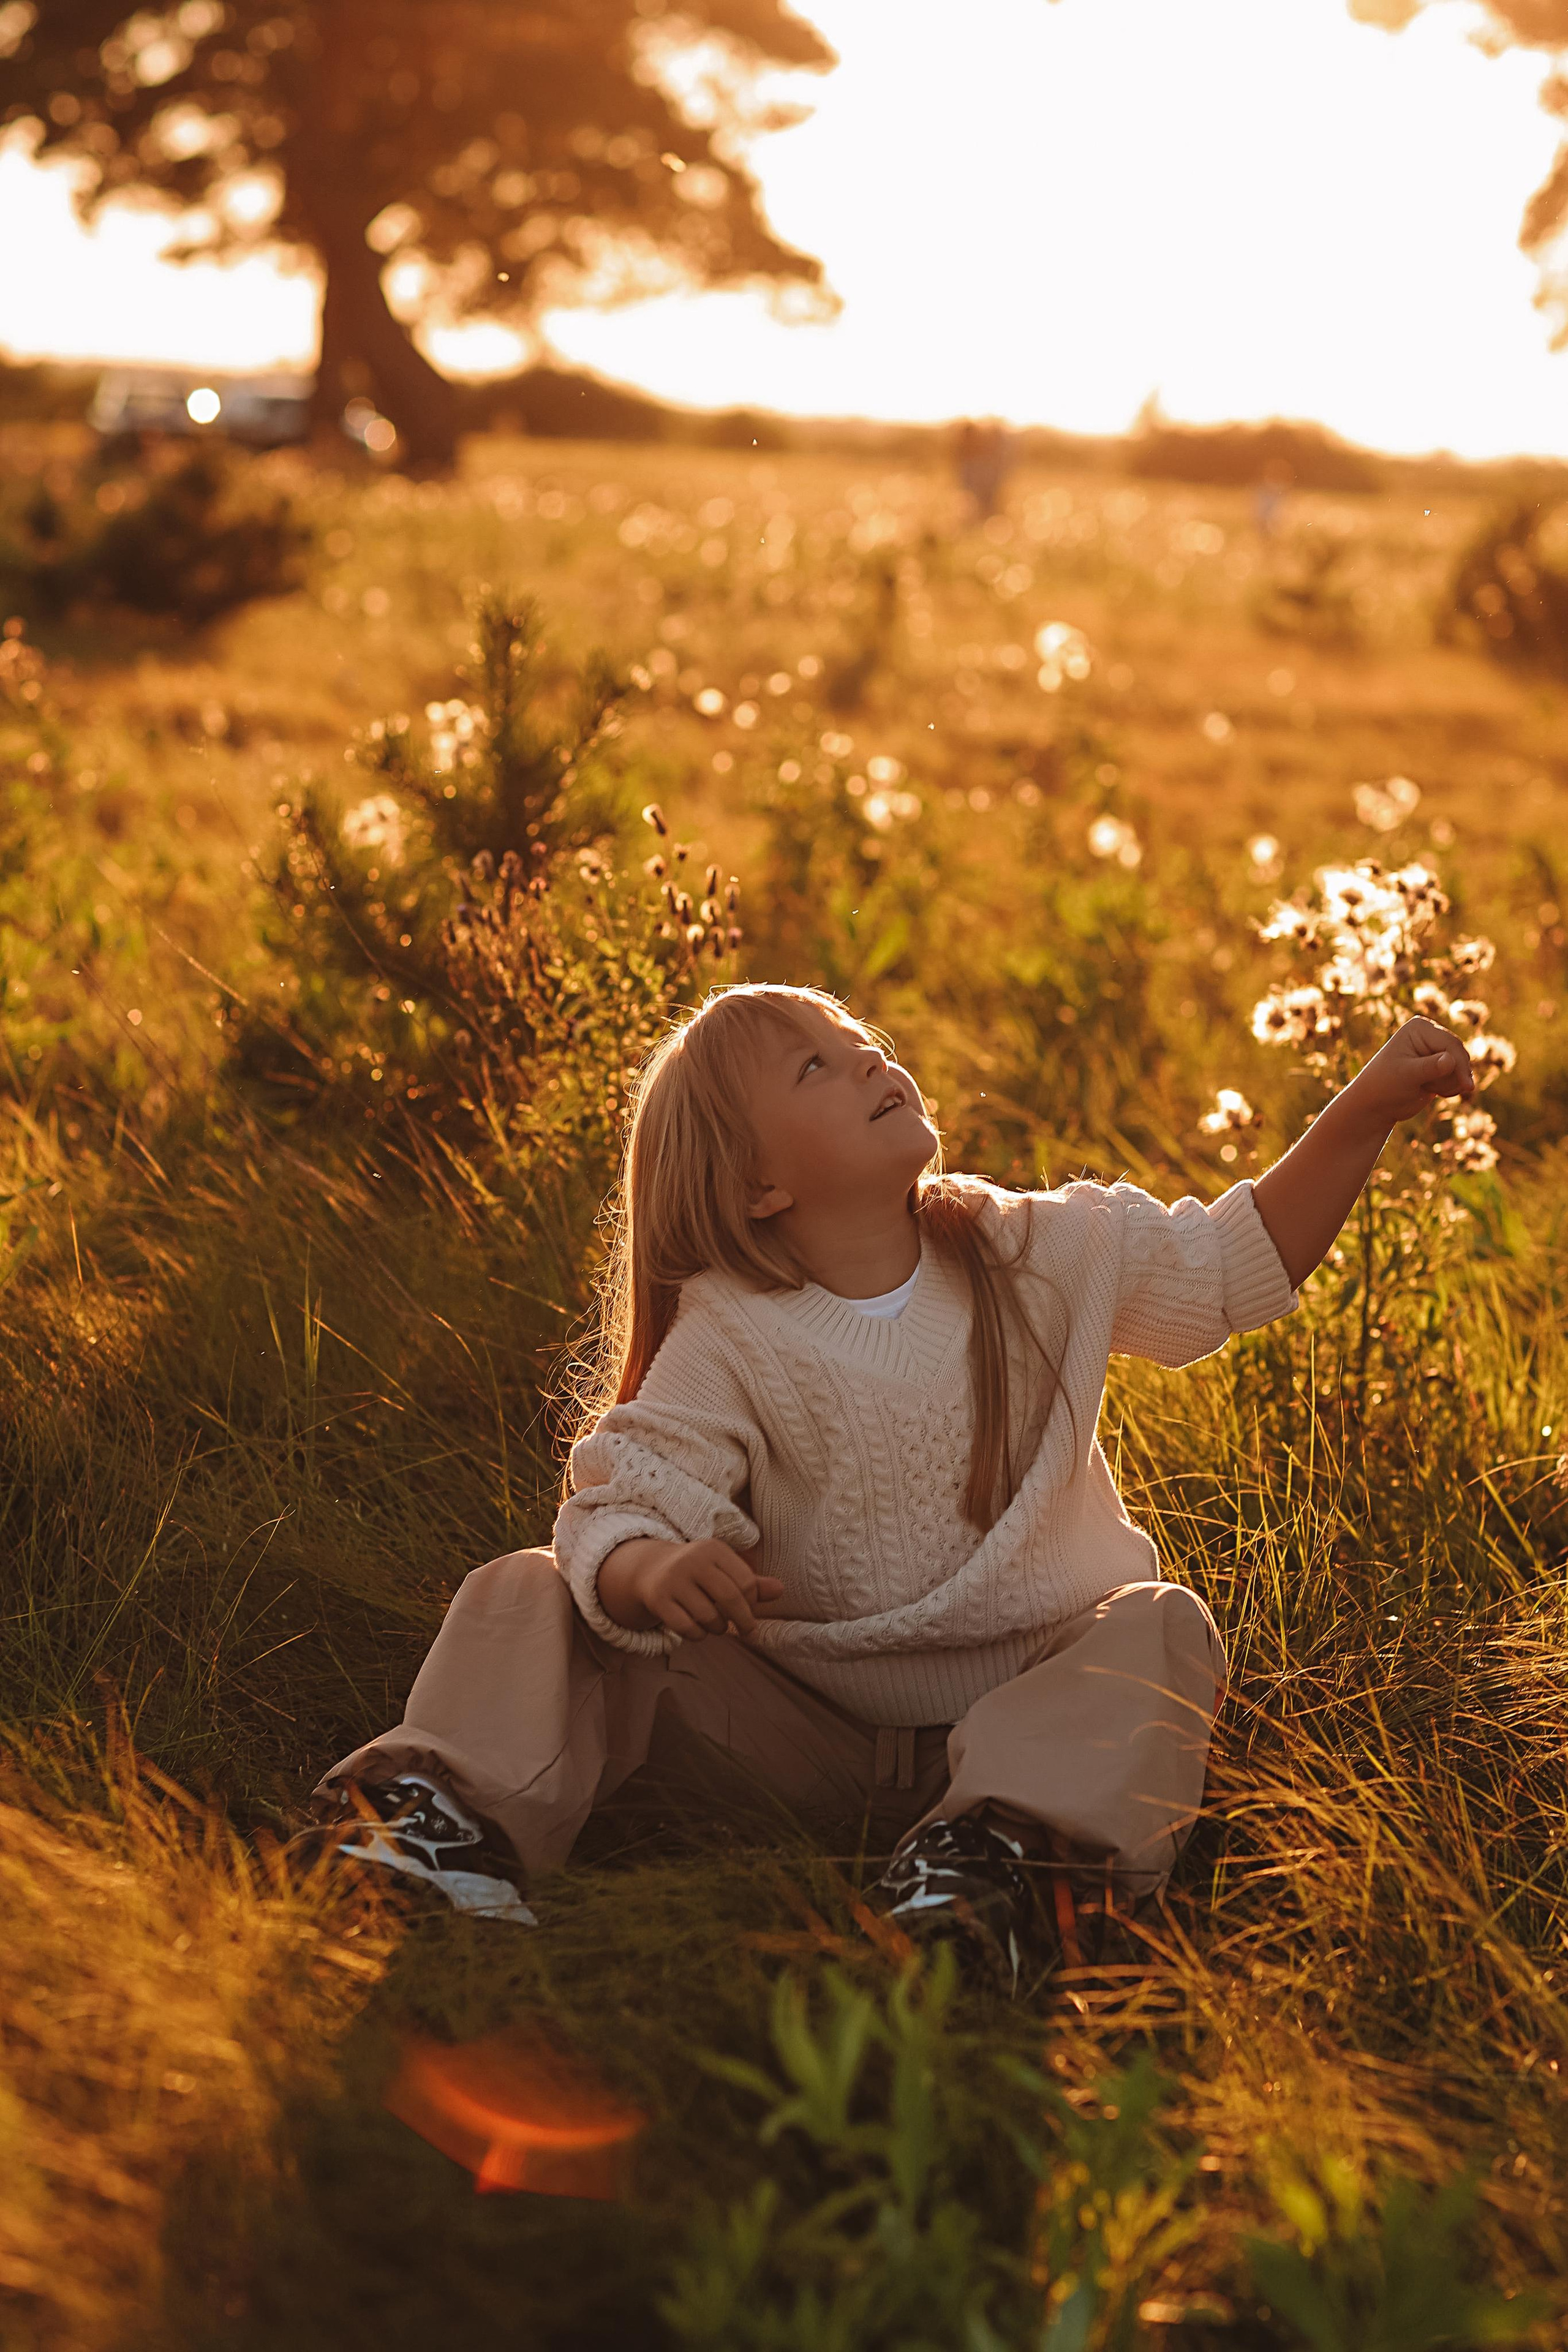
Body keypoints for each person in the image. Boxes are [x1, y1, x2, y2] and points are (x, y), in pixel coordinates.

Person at [308, 985, 1476, 1988]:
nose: (867, 1057)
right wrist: (653, 1566)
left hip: (1018, 1716)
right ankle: (440, 1828)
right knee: (537, 1590)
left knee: (1160, 1627)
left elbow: (1231, 1262)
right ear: (758, 1187)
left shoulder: (1037, 1249)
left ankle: (1004, 1878)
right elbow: (636, 1482)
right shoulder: (731, 1329)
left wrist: (1364, 1109)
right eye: (814, 1065)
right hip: (791, 1734)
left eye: (858, 1038)